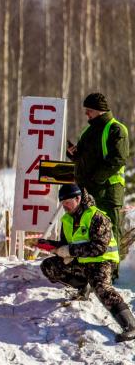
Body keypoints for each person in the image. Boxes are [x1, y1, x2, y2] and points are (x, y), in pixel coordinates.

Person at [39, 183, 135, 343]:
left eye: (67, 202)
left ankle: (130, 325)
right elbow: (67, 244)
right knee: (49, 267)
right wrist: (52, 246)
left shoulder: (97, 217)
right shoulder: (67, 219)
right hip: (82, 261)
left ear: (78, 199)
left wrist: (70, 251)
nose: (65, 206)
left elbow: (98, 247)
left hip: (102, 261)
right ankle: (83, 286)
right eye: (62, 203)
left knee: (102, 288)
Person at [66, 92, 129, 279]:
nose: (86, 114)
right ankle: (89, 271)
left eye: (89, 110)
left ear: (100, 110)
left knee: (110, 231)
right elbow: (84, 159)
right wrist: (73, 153)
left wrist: (95, 179)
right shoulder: (88, 131)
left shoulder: (116, 129)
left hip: (108, 192)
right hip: (89, 190)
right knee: (88, 231)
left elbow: (117, 160)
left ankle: (111, 274)